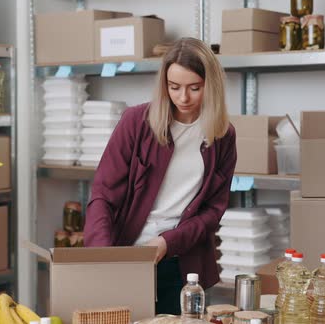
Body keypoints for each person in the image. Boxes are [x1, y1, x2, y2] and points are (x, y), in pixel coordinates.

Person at [84, 37, 237, 315]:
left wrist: (169, 241)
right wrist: (101, 257)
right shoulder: (136, 122)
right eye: (174, 87)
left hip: (183, 265)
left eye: (195, 88)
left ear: (211, 86)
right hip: (127, 258)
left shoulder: (223, 136)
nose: (183, 98)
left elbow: (213, 211)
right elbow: (103, 194)